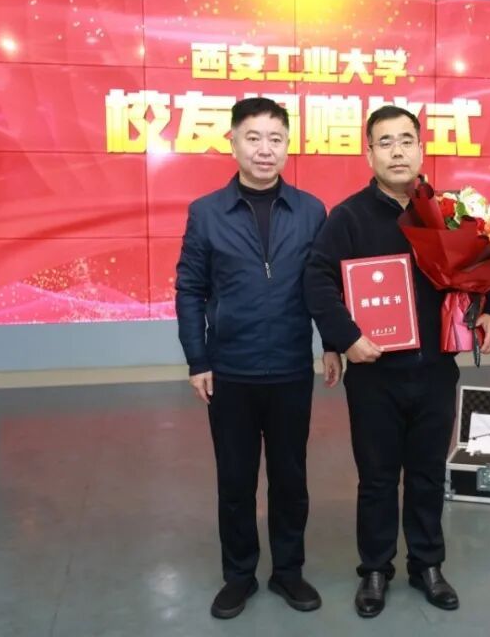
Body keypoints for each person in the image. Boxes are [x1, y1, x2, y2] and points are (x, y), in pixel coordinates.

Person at [304, 104, 490, 618]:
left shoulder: (451, 212)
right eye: (385, 142)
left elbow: (483, 271)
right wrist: (346, 338)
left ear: (421, 148)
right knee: (376, 479)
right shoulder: (348, 217)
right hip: (375, 374)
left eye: (406, 140)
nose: (397, 151)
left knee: (427, 473)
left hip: (436, 369)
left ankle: (427, 565)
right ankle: (375, 570)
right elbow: (317, 281)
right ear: (369, 153)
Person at [175, 97, 341, 620]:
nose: (265, 149)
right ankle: (239, 575)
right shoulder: (206, 213)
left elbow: (324, 285)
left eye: (276, 139)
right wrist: (197, 359)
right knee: (235, 480)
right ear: (233, 143)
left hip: (291, 368)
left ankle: (288, 571)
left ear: (288, 146)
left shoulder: (311, 211)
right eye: (253, 137)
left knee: (291, 479)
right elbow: (190, 290)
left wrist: (331, 343)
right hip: (230, 371)